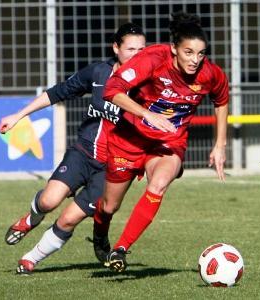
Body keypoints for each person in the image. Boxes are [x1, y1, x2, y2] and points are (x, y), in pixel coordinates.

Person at [0, 23, 146, 275]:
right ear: (116, 48)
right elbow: (59, 92)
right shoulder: (99, 73)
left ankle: (30, 259)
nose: (137, 54)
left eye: (142, 49)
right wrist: (19, 115)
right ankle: (30, 219)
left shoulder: (149, 86)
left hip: (113, 167)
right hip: (83, 152)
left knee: (69, 218)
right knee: (48, 200)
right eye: (130, 48)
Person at [92, 11, 229, 272]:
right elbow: (112, 91)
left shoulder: (210, 74)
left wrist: (220, 145)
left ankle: (120, 249)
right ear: (174, 49)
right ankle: (100, 230)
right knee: (109, 205)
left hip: (169, 142)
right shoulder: (153, 59)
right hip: (129, 139)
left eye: (201, 54)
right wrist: (146, 114)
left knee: (159, 184)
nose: (195, 60)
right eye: (188, 52)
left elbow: (221, 101)